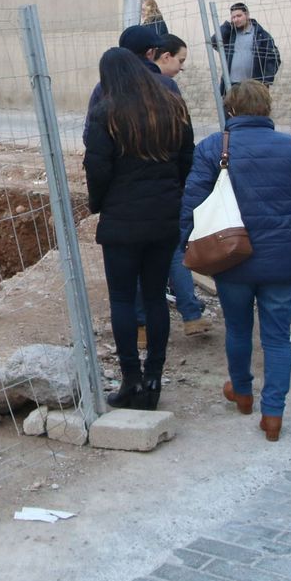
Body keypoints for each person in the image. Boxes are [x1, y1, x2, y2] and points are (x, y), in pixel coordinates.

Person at [179, 80, 291, 442]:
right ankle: (273, 413)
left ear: (231, 111)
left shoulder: (214, 147)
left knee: (239, 329)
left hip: (232, 257)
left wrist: (187, 244)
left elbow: (192, 202)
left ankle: (242, 392)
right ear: (268, 109)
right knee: (277, 339)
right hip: (283, 259)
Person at [84, 47, 195, 410]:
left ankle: (131, 379)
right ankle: (153, 379)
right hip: (164, 215)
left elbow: (98, 169)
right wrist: (172, 193)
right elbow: (186, 158)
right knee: (155, 297)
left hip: (121, 218)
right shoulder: (172, 107)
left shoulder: (106, 112)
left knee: (121, 299)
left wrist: (99, 204)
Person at [151, 34, 207, 336]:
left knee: (138, 257)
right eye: (181, 60)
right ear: (162, 56)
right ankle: (191, 313)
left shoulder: (116, 89)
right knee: (174, 249)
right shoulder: (168, 89)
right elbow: (186, 141)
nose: (182, 68)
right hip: (169, 185)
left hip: (132, 193)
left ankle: (143, 325)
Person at [213, 2, 282, 92]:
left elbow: (274, 58)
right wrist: (227, 26)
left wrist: (265, 81)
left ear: (247, 15)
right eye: (233, 17)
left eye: (239, 16)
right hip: (231, 85)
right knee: (228, 106)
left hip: (252, 87)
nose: (236, 20)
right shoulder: (230, 35)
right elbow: (214, 41)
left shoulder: (261, 35)